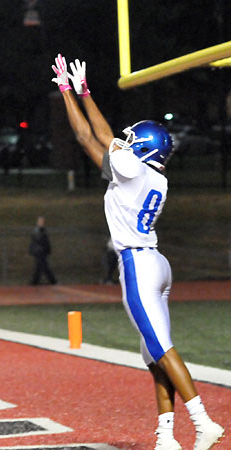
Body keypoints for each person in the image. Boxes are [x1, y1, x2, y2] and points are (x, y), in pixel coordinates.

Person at [51, 54, 224, 450]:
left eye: (131, 143)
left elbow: (88, 137)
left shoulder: (132, 171)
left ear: (142, 150)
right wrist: (83, 93)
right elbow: (102, 141)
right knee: (153, 355)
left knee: (161, 348)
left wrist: (67, 91)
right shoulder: (152, 177)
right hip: (156, 264)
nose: (122, 144)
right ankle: (165, 435)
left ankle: (203, 421)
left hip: (137, 264)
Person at [29, 216, 57, 285]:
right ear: (38, 222)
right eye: (40, 221)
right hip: (39, 251)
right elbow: (35, 241)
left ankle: (35, 281)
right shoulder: (36, 230)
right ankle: (52, 281)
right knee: (42, 266)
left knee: (41, 267)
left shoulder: (43, 230)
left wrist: (48, 250)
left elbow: (46, 241)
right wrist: (34, 250)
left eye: (42, 221)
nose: (41, 223)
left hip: (42, 252)